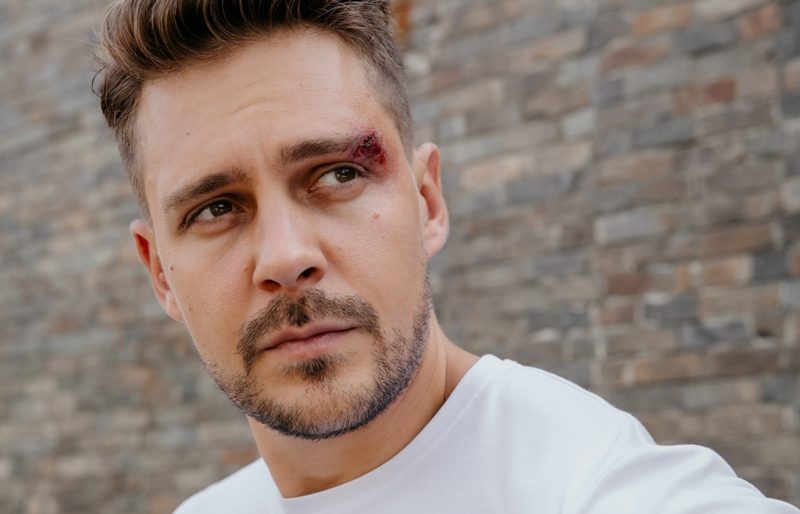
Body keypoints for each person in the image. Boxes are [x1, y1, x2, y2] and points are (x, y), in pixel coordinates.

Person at [95, 1, 799, 512]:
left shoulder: (596, 486)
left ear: (428, 202)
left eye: (337, 174)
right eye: (215, 209)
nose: (286, 256)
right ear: (160, 273)